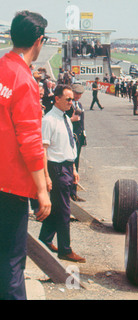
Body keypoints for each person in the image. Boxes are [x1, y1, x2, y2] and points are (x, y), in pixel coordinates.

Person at [0, 10, 51, 300]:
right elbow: (30, 142)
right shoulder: (25, 81)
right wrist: (42, 191)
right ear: (39, 41)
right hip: (10, 187)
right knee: (11, 262)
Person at [39, 84, 85, 263]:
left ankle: (45, 238)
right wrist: (46, 176)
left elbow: (69, 146)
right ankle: (65, 249)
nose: (71, 102)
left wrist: (73, 169)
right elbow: (43, 150)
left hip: (66, 166)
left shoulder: (66, 118)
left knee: (59, 207)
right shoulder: (49, 120)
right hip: (55, 169)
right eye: (68, 99)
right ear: (56, 98)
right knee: (65, 210)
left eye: (72, 99)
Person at [66, 83, 87, 202]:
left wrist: (83, 134)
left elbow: (82, 121)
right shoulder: (67, 104)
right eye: (77, 93)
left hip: (78, 135)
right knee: (69, 163)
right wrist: (71, 120)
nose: (78, 96)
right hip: (70, 135)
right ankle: (68, 191)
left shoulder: (79, 104)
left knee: (76, 163)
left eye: (80, 94)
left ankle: (73, 192)